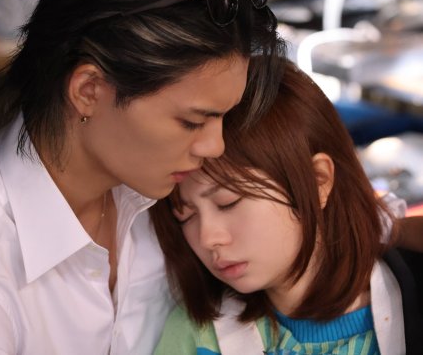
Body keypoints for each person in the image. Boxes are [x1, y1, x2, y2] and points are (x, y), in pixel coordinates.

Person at [0, 0, 287, 355]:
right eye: (191, 121)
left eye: (223, 117)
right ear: (89, 91)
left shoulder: (167, 193)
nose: (215, 146)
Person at [151, 60, 423, 355]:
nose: (208, 238)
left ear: (318, 180)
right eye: (186, 215)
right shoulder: (199, 337)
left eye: (228, 203)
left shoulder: (410, 301)